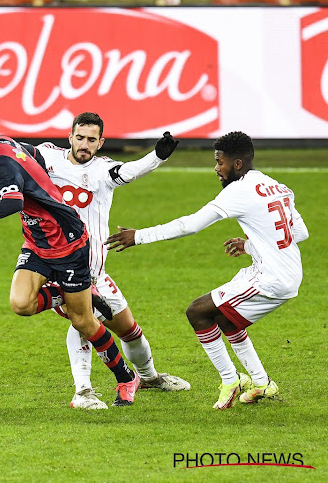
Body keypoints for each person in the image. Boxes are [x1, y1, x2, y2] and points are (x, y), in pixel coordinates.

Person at [0, 116, 140, 407]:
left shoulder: (0, 165)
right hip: (37, 242)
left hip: (67, 241)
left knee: (82, 320)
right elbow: (32, 154)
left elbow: (13, 203)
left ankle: (125, 378)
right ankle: (77, 294)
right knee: (21, 304)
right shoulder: (3, 143)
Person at [105, 131, 308, 410]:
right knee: (226, 320)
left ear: (237, 164)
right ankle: (261, 383)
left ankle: (230, 379)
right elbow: (299, 232)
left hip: (271, 279)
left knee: (198, 312)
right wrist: (251, 245)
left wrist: (139, 236)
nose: (216, 168)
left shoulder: (239, 191)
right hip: (284, 269)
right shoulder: (277, 186)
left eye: (219, 161)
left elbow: (190, 225)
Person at [29, 112, 190, 410]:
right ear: (70, 136)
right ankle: (83, 392)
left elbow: (130, 171)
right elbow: (15, 154)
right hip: (60, 267)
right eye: (80, 138)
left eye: (92, 140)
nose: (84, 145)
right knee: (83, 320)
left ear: (101, 142)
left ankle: (150, 377)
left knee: (129, 329)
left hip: (96, 273)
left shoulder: (104, 171)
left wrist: (157, 156)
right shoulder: (47, 157)